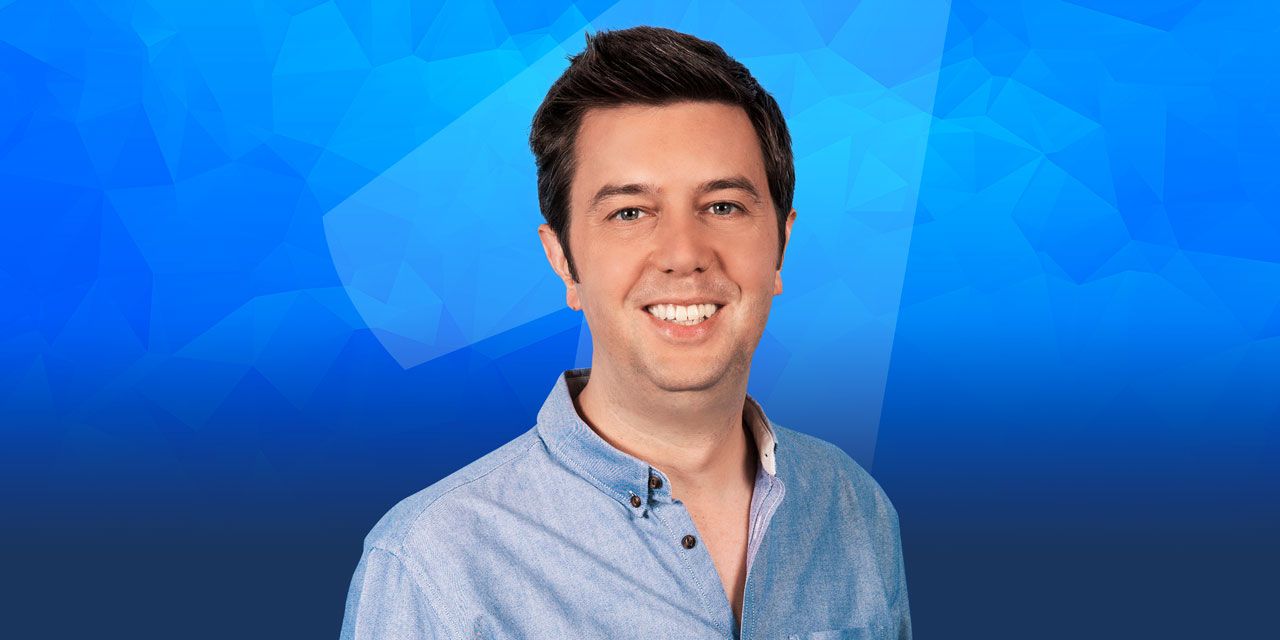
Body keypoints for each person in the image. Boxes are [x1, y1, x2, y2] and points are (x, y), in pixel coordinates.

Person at [340, 25, 911, 640]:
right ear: (563, 260)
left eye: (723, 206)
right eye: (630, 212)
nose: (684, 254)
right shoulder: (433, 567)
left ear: (781, 245)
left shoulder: (855, 509)